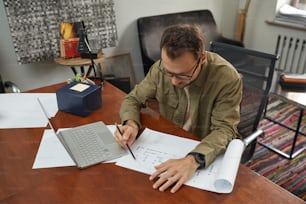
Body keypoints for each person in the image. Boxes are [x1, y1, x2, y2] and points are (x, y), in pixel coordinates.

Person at [114, 24, 242, 193]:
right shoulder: (159, 69)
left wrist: (192, 161)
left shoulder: (227, 78)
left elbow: (225, 129)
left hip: (205, 150)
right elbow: (133, 99)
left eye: (183, 75)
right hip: (171, 143)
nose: (174, 81)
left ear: (201, 59)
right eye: (169, 73)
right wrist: (131, 124)